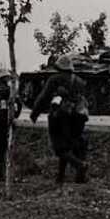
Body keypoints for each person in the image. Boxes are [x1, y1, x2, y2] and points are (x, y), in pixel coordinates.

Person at [30, 55, 89, 184]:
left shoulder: (54, 79)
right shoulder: (79, 80)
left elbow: (43, 97)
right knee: (69, 146)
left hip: (59, 116)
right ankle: (61, 177)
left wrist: (34, 113)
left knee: (59, 148)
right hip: (77, 117)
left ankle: (79, 165)